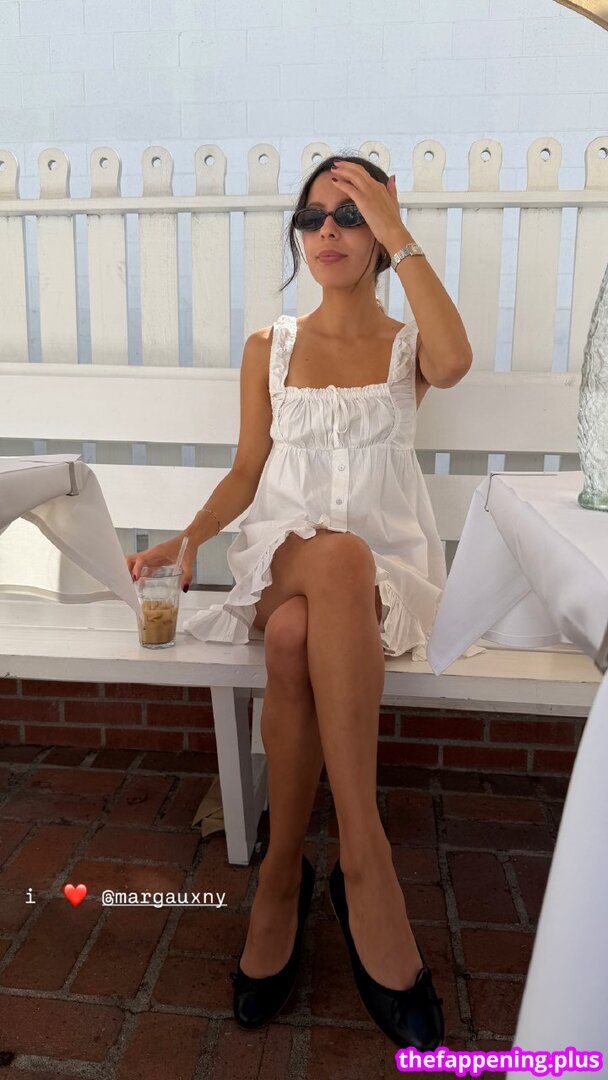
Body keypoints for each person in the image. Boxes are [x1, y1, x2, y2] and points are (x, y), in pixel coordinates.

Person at [126, 153, 474, 1049]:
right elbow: (250, 471)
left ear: (381, 231)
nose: (328, 231)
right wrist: (187, 540)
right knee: (324, 567)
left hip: (379, 578)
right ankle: (365, 859)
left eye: (350, 215)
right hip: (281, 555)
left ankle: (282, 871)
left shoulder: (407, 349)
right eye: (314, 216)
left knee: (293, 637)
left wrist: (398, 230)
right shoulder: (270, 348)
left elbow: (456, 361)